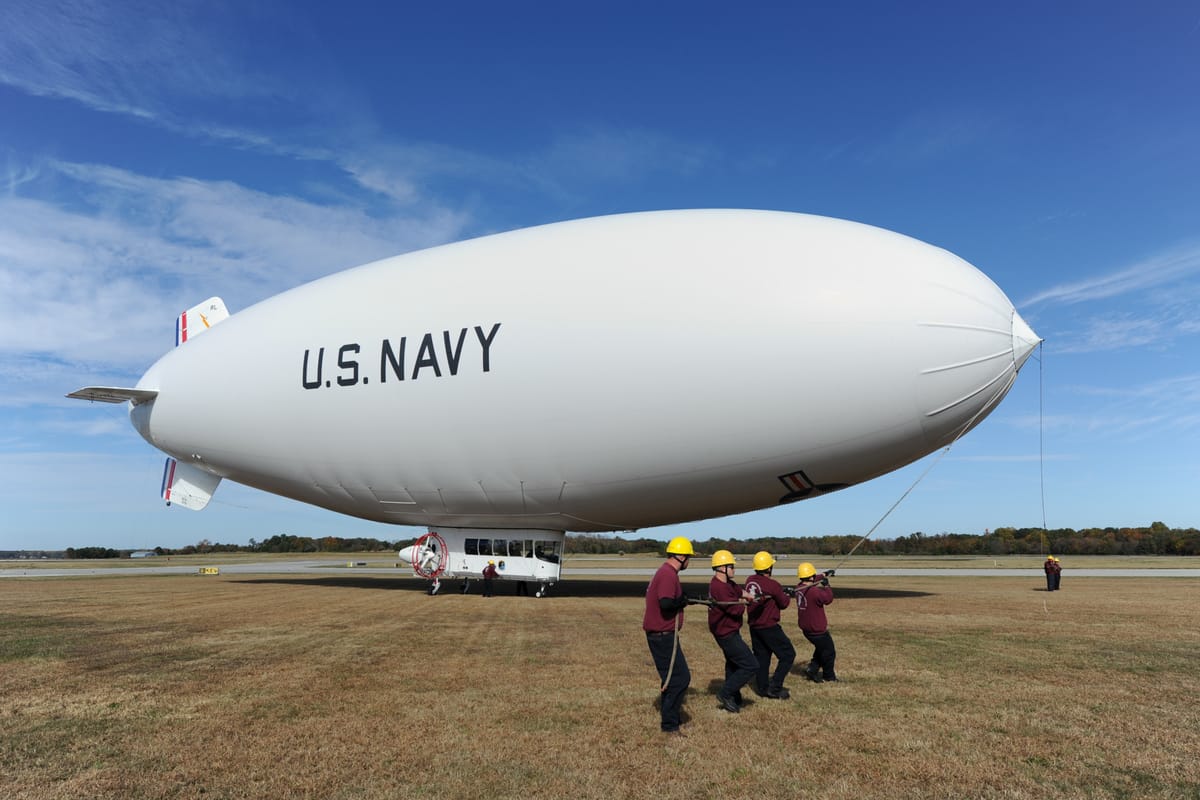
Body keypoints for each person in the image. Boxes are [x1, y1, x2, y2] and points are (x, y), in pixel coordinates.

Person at [644, 536, 695, 735]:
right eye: (689, 557)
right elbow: (666, 604)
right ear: (681, 556)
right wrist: (682, 601)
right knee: (680, 679)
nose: (689, 561)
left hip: (664, 634)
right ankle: (669, 725)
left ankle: (672, 718)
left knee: (672, 679)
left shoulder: (667, 573)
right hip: (662, 635)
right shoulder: (668, 574)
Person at [707, 550, 758, 713]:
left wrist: (749, 596)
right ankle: (725, 693)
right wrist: (744, 603)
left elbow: (738, 591)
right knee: (751, 665)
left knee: (733, 664)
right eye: (732, 566)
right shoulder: (718, 587)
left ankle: (733, 697)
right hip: (726, 633)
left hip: (730, 630)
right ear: (722, 568)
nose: (734, 569)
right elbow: (735, 610)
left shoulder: (728, 583)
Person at [743, 551, 795, 700]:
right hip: (769, 626)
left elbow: (769, 594)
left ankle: (762, 687)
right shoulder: (772, 584)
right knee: (788, 655)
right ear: (768, 568)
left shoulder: (750, 580)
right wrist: (786, 594)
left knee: (762, 657)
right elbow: (784, 603)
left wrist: (780, 592)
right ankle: (775, 687)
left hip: (754, 626)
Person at [795, 562, 837, 683]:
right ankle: (829, 677)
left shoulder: (799, 587)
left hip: (806, 628)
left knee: (821, 648)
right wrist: (827, 586)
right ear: (811, 576)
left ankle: (812, 669)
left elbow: (812, 579)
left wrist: (824, 574)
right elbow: (828, 599)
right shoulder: (814, 592)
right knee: (829, 652)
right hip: (817, 629)